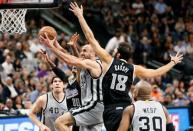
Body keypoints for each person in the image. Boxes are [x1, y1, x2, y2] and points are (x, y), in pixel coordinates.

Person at [69, 2, 183, 131]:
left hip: (112, 110)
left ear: (117, 53)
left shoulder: (109, 60)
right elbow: (157, 72)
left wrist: (80, 16)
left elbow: (90, 38)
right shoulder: (134, 68)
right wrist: (172, 62)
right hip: (128, 108)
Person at [40, 33, 104, 131]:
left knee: (59, 122)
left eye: (85, 50)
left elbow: (72, 59)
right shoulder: (71, 79)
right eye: (81, 50)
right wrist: (58, 46)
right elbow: (62, 68)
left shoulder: (87, 70)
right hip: (83, 111)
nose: (81, 53)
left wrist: (52, 47)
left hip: (89, 108)